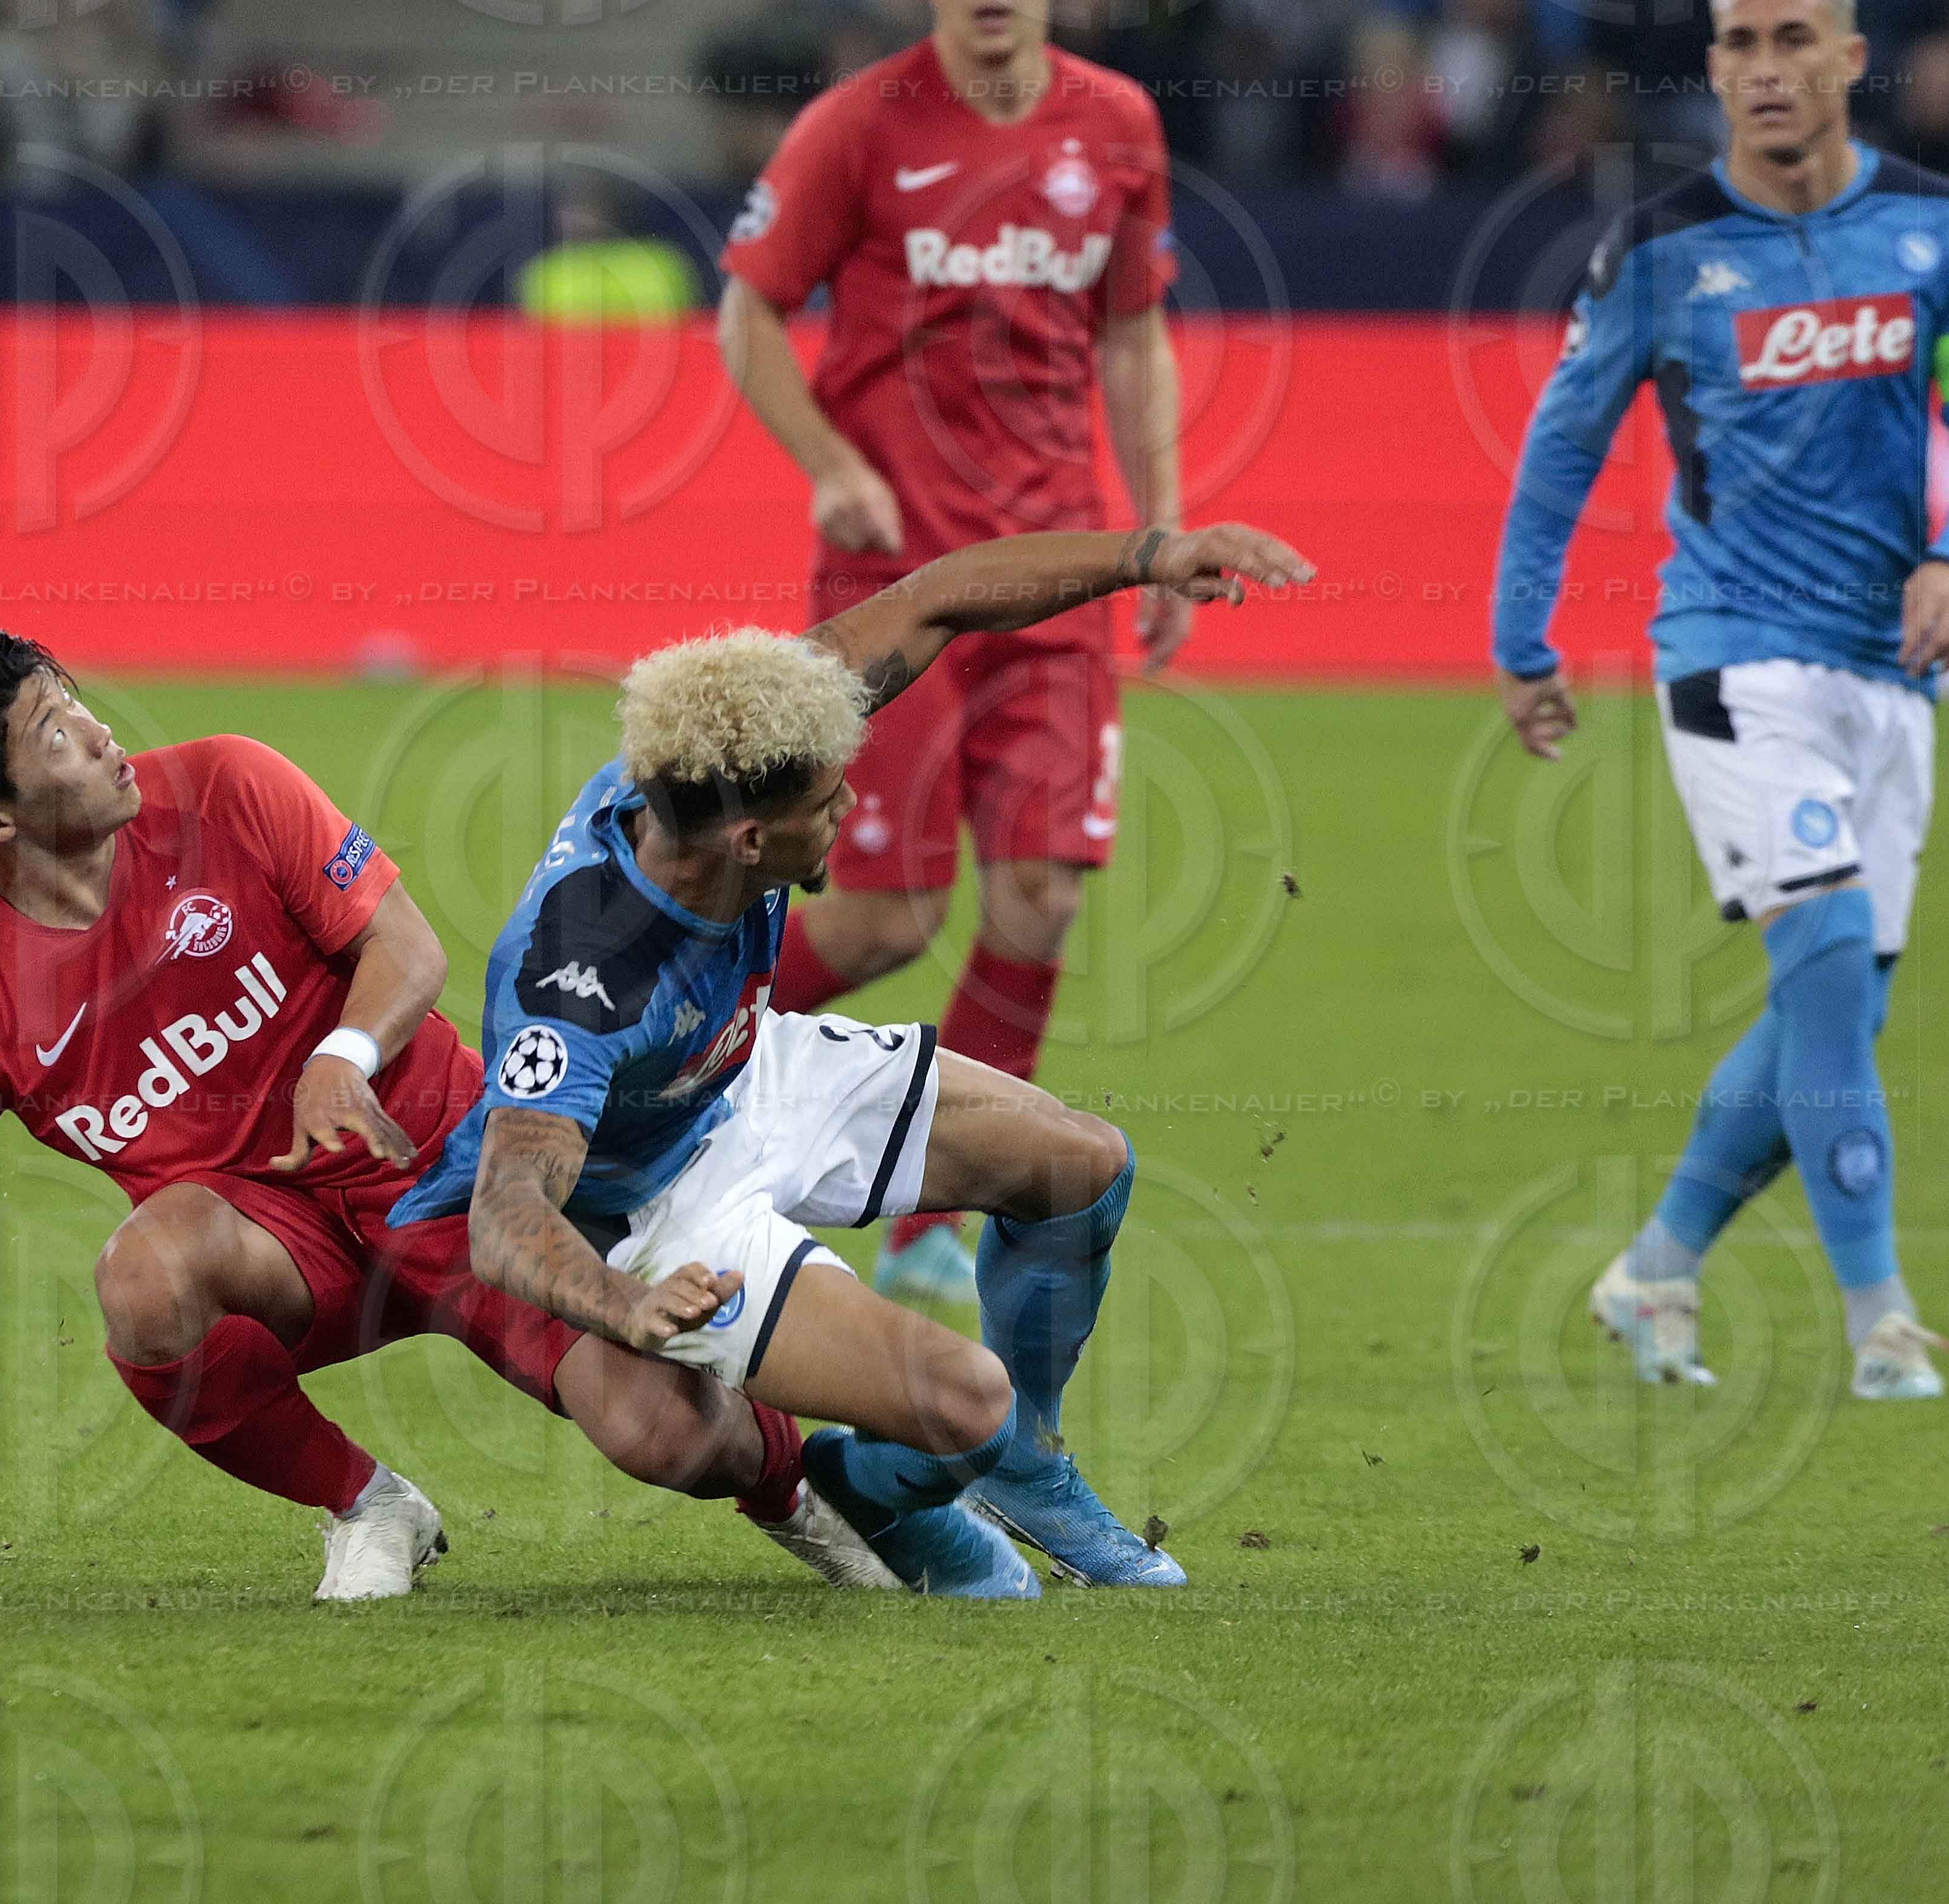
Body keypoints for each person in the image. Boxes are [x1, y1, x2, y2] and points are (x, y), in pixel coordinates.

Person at [0, 636, 891, 1608]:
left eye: (74, 700)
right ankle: (371, 1505)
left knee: (667, 1438)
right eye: (55, 732)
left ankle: (809, 1492)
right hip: (284, 1255)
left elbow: (406, 947)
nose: (100, 729)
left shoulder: (230, 785)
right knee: (142, 1276)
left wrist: (344, 1056)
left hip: (451, 1181)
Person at [394, 522, 1311, 1595]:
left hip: (735, 1071)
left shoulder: (732, 745)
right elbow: (504, 1218)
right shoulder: (578, 986)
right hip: (657, 1203)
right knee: (965, 1402)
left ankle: (1026, 1465)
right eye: (828, 802)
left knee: (1084, 1166)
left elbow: (940, 596)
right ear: (750, 842)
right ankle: (871, 1487)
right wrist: (625, 1306)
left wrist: (1146, 556)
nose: (851, 807)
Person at [1495, 0, 1949, 1402]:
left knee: (1835, 1003)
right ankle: (1882, 1319)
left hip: (1890, 667)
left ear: (1851, 57)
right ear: (1717, 69)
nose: (1768, 67)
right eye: (1741, 44)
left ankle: (1655, 1266)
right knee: (1828, 960)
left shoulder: (1936, 230)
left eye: (1796, 38)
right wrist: (1521, 639)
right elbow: (1563, 446)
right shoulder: (1662, 250)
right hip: (1733, 658)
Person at [714, 0, 1187, 1319]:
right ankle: (666, 1057)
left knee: (1040, 894)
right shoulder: (860, 125)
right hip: (895, 585)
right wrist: (828, 462)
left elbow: (1132, 334)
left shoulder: (1117, 126)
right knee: (885, 918)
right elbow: (746, 312)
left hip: (1051, 577)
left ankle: (936, 1216)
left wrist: (1163, 528)